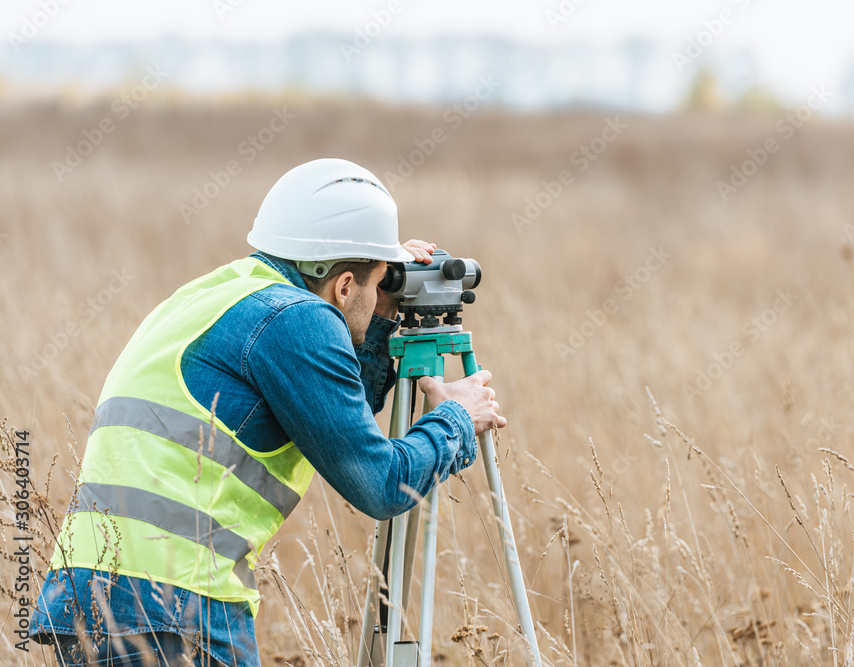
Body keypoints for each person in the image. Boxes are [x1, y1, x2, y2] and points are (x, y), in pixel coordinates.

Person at [27, 158, 506, 665]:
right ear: (344, 286)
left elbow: (337, 421)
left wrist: (380, 313)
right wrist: (455, 418)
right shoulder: (297, 320)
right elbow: (381, 483)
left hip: (85, 596)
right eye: (377, 279)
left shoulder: (221, 293)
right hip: (174, 603)